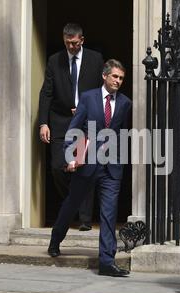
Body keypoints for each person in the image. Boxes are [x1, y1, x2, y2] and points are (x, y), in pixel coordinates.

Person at [47, 59, 132, 278]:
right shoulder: (88, 98)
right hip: (87, 165)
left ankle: (106, 262)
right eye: (115, 76)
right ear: (105, 76)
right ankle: (56, 239)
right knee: (72, 204)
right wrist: (70, 156)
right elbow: (74, 128)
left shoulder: (125, 103)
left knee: (108, 214)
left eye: (121, 78)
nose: (118, 81)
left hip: (111, 168)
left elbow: (122, 135)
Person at [39, 23, 104, 231]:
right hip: (60, 121)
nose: (71, 47)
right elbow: (46, 93)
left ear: (82, 40)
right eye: (67, 43)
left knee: (84, 168)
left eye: (75, 43)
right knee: (58, 167)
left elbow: (102, 91)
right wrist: (43, 123)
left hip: (86, 122)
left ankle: (85, 219)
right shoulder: (54, 60)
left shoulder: (95, 59)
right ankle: (74, 200)